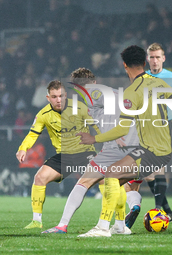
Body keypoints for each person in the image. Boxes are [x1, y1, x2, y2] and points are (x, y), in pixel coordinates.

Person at [76, 45, 172, 237]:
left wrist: (94, 138)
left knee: (112, 173)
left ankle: (103, 228)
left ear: (124, 66)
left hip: (152, 151)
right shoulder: (159, 84)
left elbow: (122, 129)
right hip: (160, 148)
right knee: (114, 179)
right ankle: (119, 226)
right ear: (145, 63)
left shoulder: (132, 92)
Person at [42, 67, 139, 235]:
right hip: (135, 147)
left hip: (117, 147)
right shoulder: (111, 94)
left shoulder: (95, 93)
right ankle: (120, 226)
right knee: (113, 183)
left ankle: (65, 226)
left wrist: (116, 132)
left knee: (84, 182)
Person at [125, 42, 172, 228]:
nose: (154, 61)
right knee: (149, 172)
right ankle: (166, 210)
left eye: (157, 57)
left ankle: (159, 211)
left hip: (165, 125)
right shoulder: (141, 77)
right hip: (145, 126)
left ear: (163, 58)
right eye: (151, 57)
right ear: (147, 59)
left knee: (155, 167)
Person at [16, 80, 98, 229]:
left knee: (106, 181)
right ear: (48, 98)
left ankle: (116, 222)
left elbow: (97, 125)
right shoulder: (43, 114)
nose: (58, 100)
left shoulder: (79, 107)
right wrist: (23, 148)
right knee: (39, 178)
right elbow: (33, 134)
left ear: (66, 95)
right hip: (64, 156)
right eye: (54, 97)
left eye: (61, 96)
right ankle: (36, 221)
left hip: (85, 152)